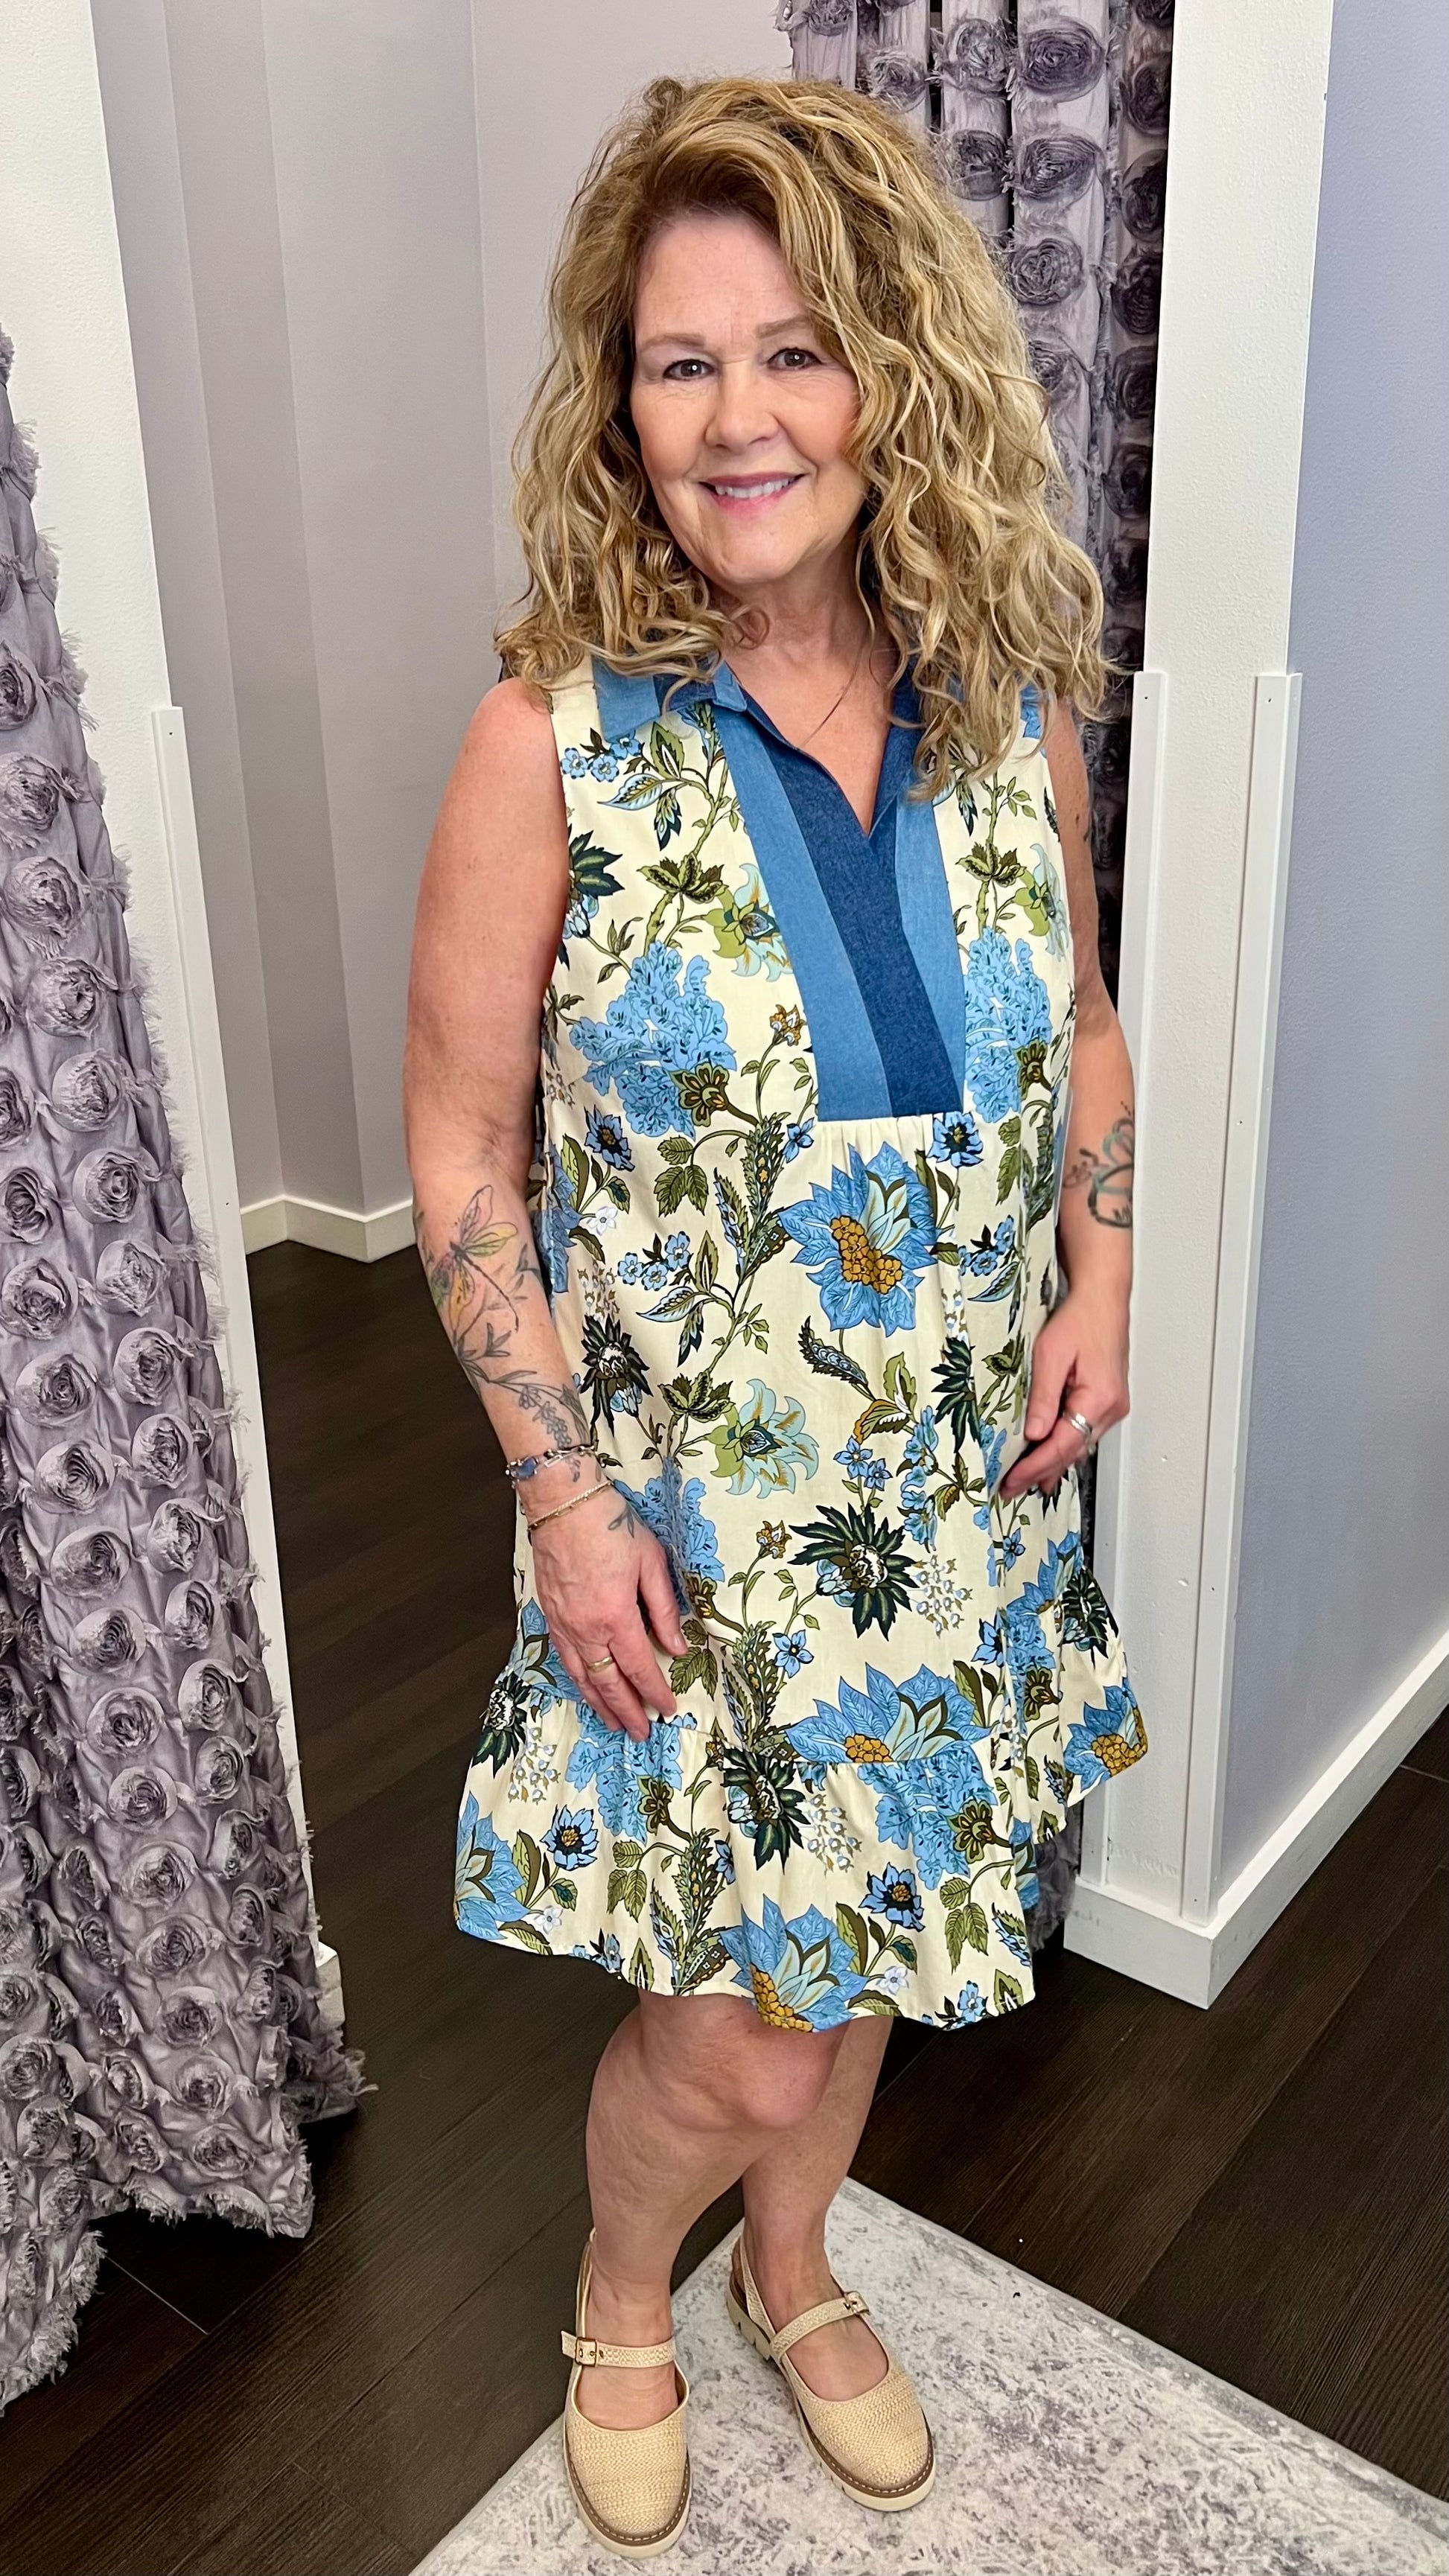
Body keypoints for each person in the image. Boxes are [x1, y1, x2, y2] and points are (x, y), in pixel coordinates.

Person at [404, 72, 1148, 2560]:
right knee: (731, 2028)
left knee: (870, 1957)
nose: (738, 417)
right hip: (696, 1533)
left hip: (956, 1494)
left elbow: (1084, 1026)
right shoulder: (548, 744)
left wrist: (1103, 1262)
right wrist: (560, 1491)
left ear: (889, 377)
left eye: (794, 350)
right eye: (679, 361)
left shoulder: (1007, 711)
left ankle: (795, 2266)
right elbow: (458, 1157)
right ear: (620, 409)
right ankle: (628, 2289)